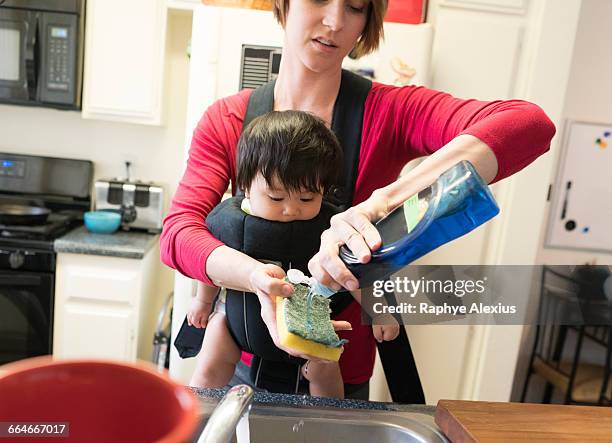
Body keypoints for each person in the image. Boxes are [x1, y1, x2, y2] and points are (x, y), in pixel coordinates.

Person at [161, 0, 556, 399]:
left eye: (355, 7)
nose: (335, 22)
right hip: (238, 362)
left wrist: (379, 205)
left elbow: (529, 124)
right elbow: (178, 234)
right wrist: (256, 279)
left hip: (337, 375)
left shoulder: (393, 111)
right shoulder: (226, 119)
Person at [186, 110, 399, 398]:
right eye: (276, 197)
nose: (291, 208)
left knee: (327, 367)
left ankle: (328, 422)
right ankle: (196, 416)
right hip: (240, 325)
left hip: (311, 326)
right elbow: (210, 264)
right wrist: (202, 300)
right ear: (246, 185)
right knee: (214, 343)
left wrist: (379, 312)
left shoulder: (332, 227)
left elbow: (354, 273)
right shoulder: (228, 220)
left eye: (307, 198)